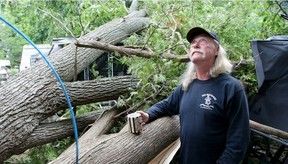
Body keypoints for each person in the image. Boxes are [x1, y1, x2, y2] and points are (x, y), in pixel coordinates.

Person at [137, 27, 250, 164]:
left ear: (216, 51)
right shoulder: (187, 85)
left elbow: (238, 140)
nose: (195, 45)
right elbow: (167, 105)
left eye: (202, 41)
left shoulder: (231, 88)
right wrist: (148, 115)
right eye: (193, 43)